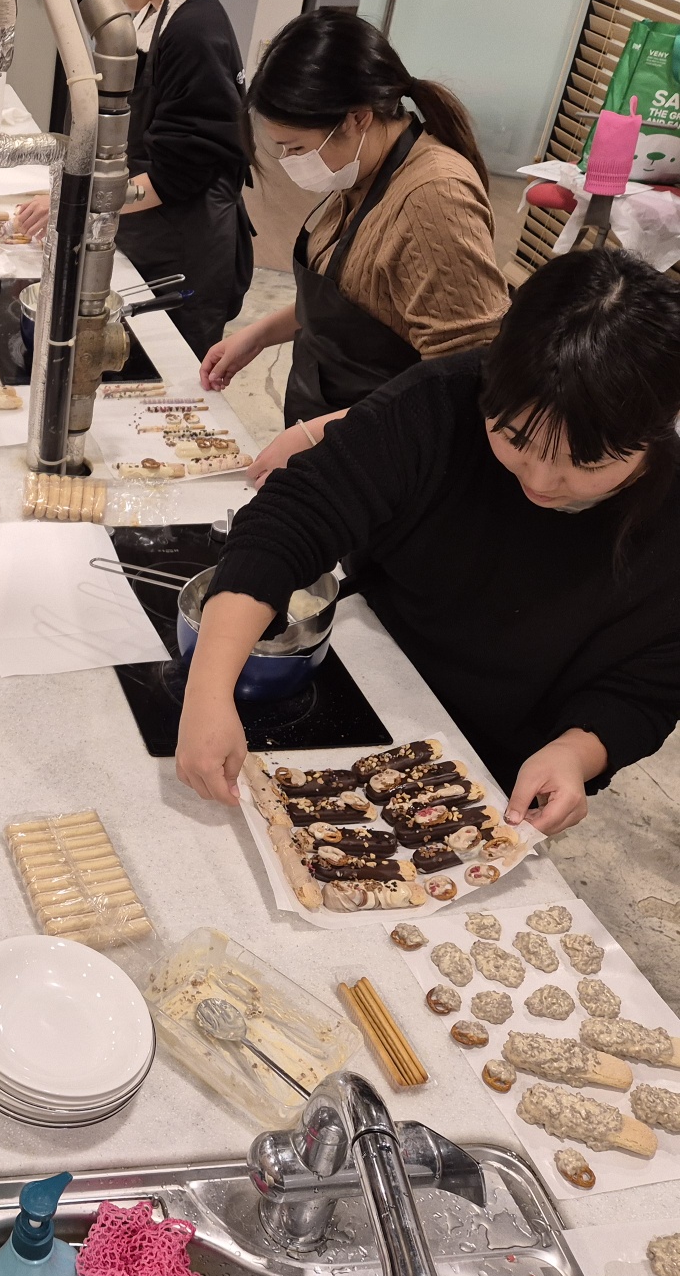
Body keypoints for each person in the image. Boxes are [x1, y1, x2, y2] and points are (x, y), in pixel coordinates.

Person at [176, 248, 680, 836]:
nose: (541, 481)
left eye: (586, 463)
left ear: (655, 434)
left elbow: (649, 686)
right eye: (514, 438)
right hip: (371, 672)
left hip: (501, 768)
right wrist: (208, 690)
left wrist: (576, 752)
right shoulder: (444, 400)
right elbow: (292, 517)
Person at [202, 9, 508, 481]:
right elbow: (357, 293)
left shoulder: (434, 199)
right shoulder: (362, 169)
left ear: (358, 119)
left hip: (388, 461)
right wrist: (258, 335)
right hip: (336, 432)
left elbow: (464, 376)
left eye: (297, 148)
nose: (290, 162)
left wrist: (315, 436)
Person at [15, 0, 253, 356]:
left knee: (167, 375)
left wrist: (75, 203)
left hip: (184, 254)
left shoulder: (194, 33)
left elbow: (174, 176)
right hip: (149, 234)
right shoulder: (152, 12)